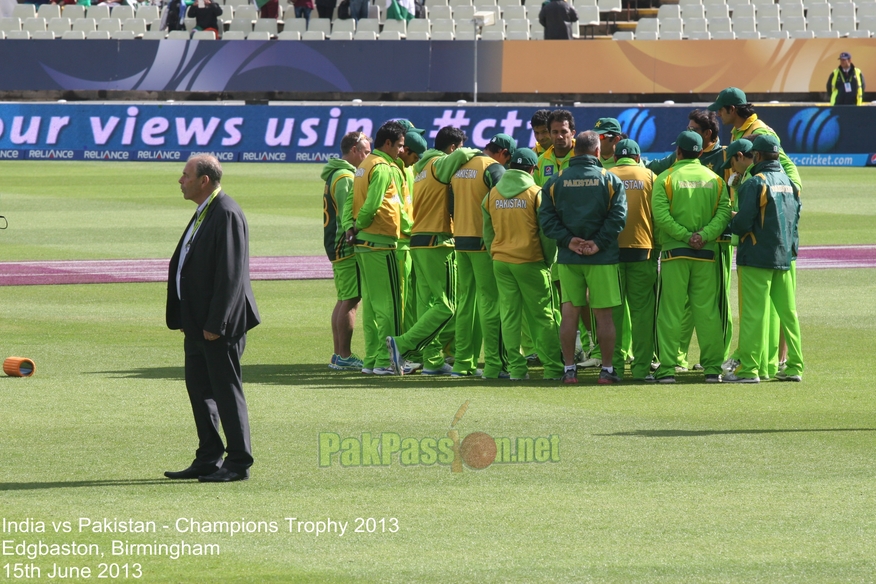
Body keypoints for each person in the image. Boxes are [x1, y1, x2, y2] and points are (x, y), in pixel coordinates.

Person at [165, 154, 260, 483]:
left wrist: (216, 323)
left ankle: (238, 462)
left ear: (204, 180)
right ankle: (208, 456)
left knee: (225, 390)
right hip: (197, 323)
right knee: (200, 388)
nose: (181, 180)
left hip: (217, 326)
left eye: (186, 175)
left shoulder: (226, 212)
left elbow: (231, 275)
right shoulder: (206, 212)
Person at [386, 127, 477, 376]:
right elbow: (462, 156)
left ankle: (433, 360)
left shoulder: (421, 168)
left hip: (419, 241)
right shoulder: (439, 163)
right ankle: (401, 344)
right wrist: (481, 154)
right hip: (438, 242)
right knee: (448, 306)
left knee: (429, 306)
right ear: (451, 148)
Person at [540, 131, 627, 385]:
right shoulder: (609, 179)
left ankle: (569, 370)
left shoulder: (556, 180)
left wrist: (569, 241)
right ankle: (607, 371)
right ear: (598, 152)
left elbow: (546, 219)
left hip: (569, 258)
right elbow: (618, 218)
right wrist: (597, 244)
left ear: (574, 152)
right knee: (604, 316)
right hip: (602, 258)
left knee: (569, 313)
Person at [651, 131, 731, 384]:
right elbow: (724, 212)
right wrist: (703, 235)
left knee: (670, 311)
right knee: (707, 312)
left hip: (675, 253)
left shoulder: (665, 178)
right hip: (706, 253)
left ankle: (666, 369)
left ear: (679, 152)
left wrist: (686, 237)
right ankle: (711, 369)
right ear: (700, 153)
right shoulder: (715, 179)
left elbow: (661, 216)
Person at [724, 135, 803, 383]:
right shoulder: (790, 182)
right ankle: (795, 366)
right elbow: (795, 220)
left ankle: (749, 369)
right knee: (788, 314)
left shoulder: (755, 183)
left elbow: (743, 223)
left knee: (753, 314)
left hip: (757, 257)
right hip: (784, 256)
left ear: (756, 156)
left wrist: (730, 218)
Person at [482, 148, 563, 381]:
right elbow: (547, 235)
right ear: (532, 169)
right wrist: (548, 261)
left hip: (501, 261)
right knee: (543, 316)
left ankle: (516, 369)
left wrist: (496, 253)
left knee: (509, 316)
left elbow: (488, 233)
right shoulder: (536, 193)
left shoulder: (492, 194)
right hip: (531, 261)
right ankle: (553, 368)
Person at [449, 133, 513, 379]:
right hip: (484, 244)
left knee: (466, 303)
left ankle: (463, 363)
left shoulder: (460, 167)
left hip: (461, 241)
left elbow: (450, 205)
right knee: (491, 303)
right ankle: (496, 365)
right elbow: (502, 205)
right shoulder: (494, 168)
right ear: (504, 153)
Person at [347, 121, 406, 375]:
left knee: (371, 304)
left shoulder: (363, 166)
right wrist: (360, 224)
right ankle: (384, 360)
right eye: (400, 146)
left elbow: (351, 200)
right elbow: (371, 206)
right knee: (389, 306)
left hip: (363, 244)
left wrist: (350, 226)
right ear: (388, 143)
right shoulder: (382, 167)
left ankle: (372, 359)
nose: (401, 151)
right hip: (379, 242)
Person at [608, 139, 657, 382]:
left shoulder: (606, 175)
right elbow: (658, 214)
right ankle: (640, 369)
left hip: (610, 255)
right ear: (637, 158)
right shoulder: (649, 176)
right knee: (642, 315)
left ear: (616, 158)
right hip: (642, 251)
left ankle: (613, 368)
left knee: (613, 314)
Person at [322, 131, 371, 371]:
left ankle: (338, 353)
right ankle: (344, 354)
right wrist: (354, 234)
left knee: (344, 298)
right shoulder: (345, 177)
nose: (368, 156)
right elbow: (346, 214)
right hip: (344, 244)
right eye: (366, 151)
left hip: (336, 243)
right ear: (354, 150)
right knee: (351, 299)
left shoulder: (338, 173)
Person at [708, 87, 802, 193]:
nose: (718, 114)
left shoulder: (759, 131)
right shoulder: (736, 131)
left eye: (721, 109)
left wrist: (795, 190)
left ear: (732, 109)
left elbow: (785, 163)